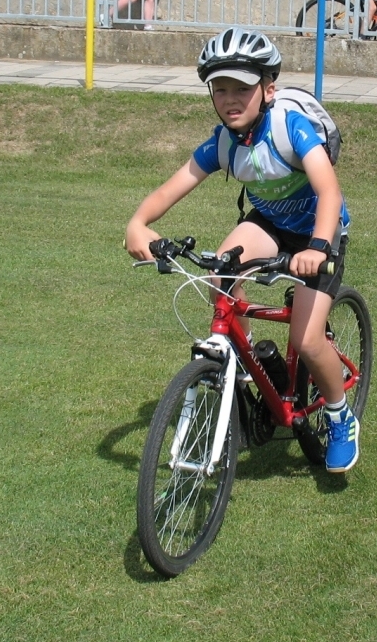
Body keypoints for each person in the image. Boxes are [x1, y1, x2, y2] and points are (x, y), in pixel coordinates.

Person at [125, 27, 359, 473]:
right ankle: (244, 361)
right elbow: (172, 187)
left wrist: (318, 247)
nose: (231, 99)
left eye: (243, 88)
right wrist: (138, 224)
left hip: (316, 231)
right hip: (270, 224)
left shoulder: (290, 127)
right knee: (219, 272)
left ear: (268, 88)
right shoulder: (224, 142)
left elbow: (328, 191)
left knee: (307, 340)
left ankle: (338, 413)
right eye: (220, 89)